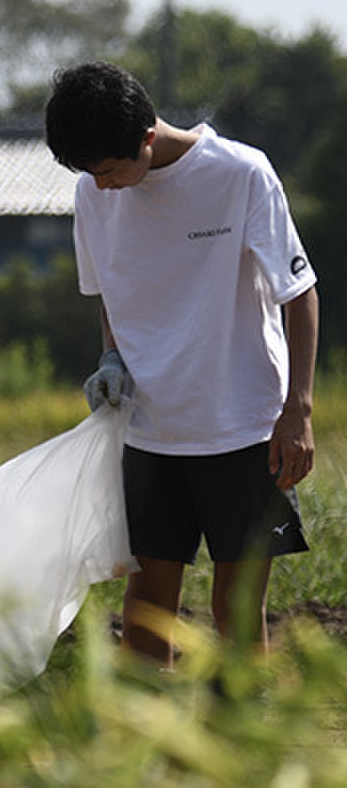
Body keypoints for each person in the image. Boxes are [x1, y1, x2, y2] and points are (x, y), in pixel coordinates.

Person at [45, 60, 318, 666]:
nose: (103, 187)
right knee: (145, 609)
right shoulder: (92, 193)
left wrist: (297, 411)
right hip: (149, 432)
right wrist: (111, 358)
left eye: (110, 171)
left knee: (236, 608)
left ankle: (238, 725)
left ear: (146, 137)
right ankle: (142, 727)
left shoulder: (240, 174)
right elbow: (112, 293)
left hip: (243, 428)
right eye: (91, 174)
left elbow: (299, 293)